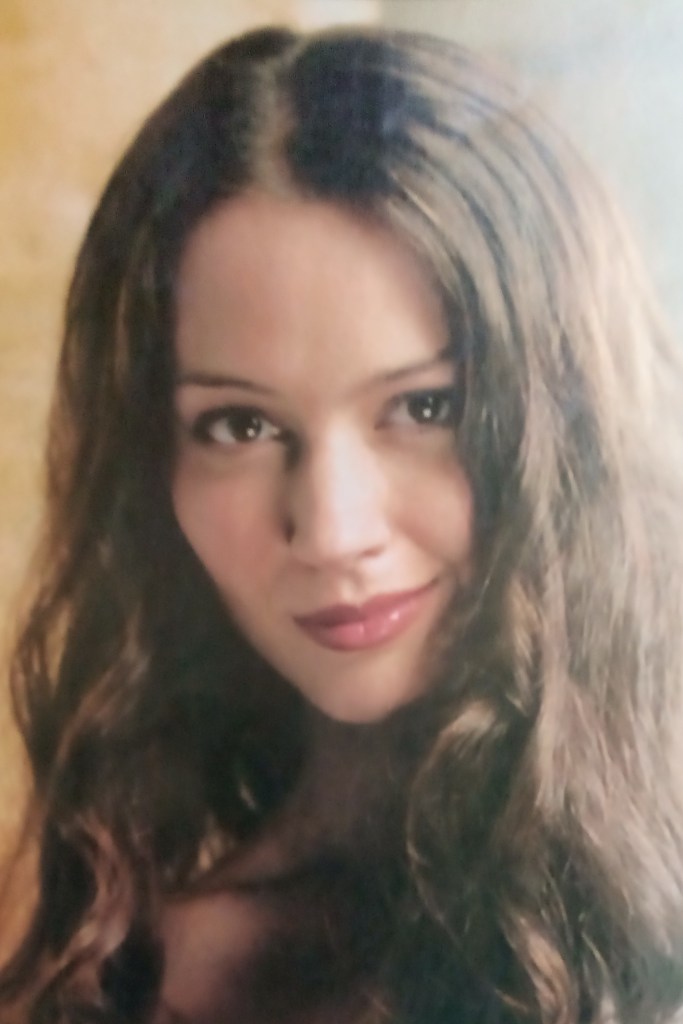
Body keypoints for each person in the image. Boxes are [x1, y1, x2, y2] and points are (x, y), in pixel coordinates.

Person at [2, 22, 683, 1024]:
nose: (330, 530)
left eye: (422, 407)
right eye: (239, 426)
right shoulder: (96, 960)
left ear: (564, 425)